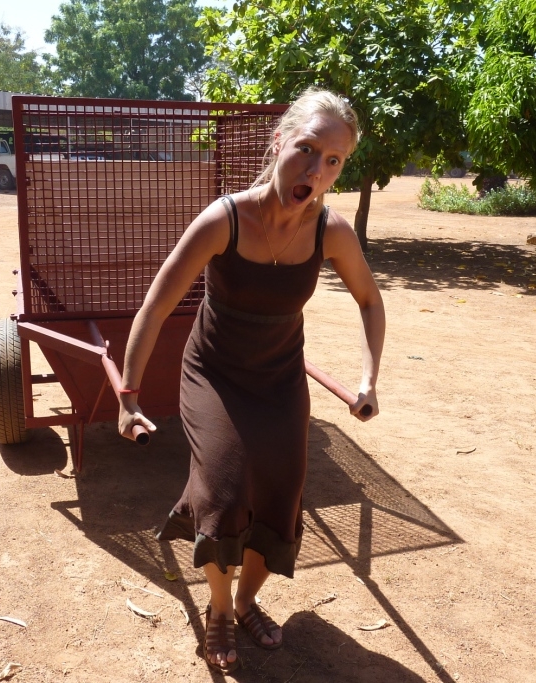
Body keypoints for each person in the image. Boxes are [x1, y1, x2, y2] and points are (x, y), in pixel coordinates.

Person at [117, 88, 385, 673]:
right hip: (214, 373)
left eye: (333, 160)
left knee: (281, 497)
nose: (316, 170)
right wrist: (129, 397)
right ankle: (218, 608)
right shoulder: (226, 219)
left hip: (280, 378)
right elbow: (156, 307)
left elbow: (370, 300)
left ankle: (245, 603)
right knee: (225, 490)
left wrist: (368, 380)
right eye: (307, 149)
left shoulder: (330, 231)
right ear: (279, 141)